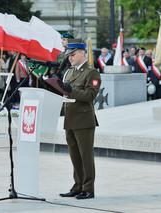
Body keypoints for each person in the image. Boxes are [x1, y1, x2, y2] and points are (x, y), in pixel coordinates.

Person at [58, 43, 101, 200]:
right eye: (69, 55)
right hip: (70, 118)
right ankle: (78, 186)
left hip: (83, 120)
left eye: (73, 54)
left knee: (85, 156)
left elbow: (89, 96)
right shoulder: (69, 73)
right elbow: (64, 94)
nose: (70, 58)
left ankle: (88, 188)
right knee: (75, 156)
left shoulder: (92, 73)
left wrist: (70, 90)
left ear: (83, 53)